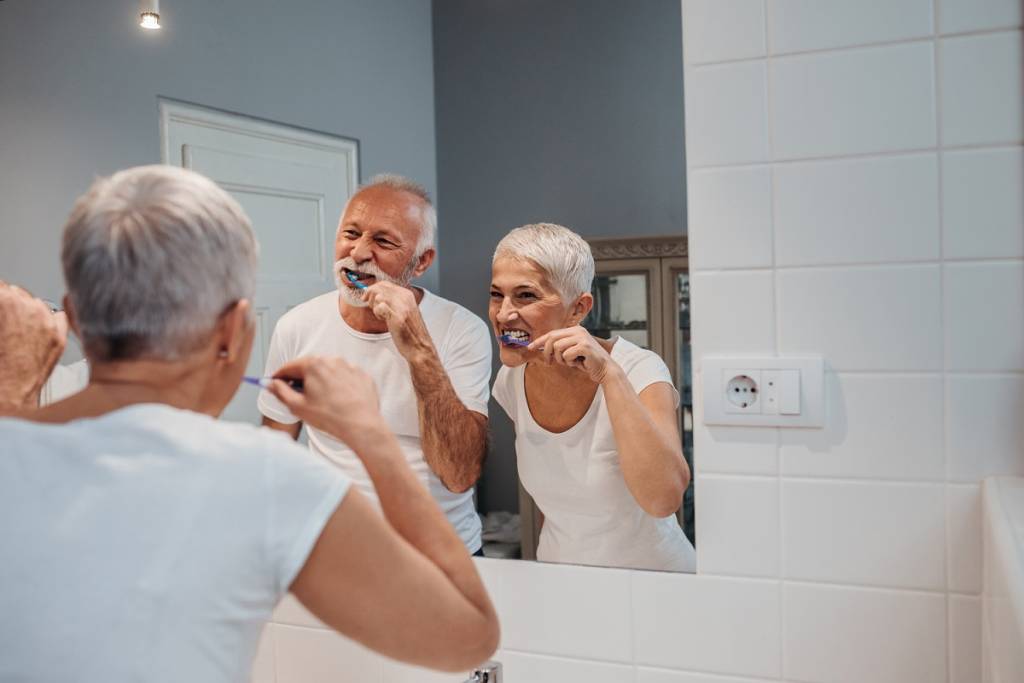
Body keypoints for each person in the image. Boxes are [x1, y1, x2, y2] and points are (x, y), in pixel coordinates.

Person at [0, 166, 499, 682]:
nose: (359, 251)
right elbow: (468, 637)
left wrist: (12, 400)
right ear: (236, 330)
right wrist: (368, 434)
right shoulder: (264, 480)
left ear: (75, 320)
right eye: (350, 233)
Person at [259, 174, 491, 554]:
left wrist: (419, 347)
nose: (359, 253)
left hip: (443, 554)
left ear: (421, 262)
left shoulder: (462, 330)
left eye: (383, 241)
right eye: (351, 234)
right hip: (338, 552)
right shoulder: (296, 327)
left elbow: (459, 473)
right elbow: (274, 449)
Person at [489, 223, 696, 572]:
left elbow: (664, 498)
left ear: (578, 308)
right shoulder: (511, 379)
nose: (504, 313)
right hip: (565, 582)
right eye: (497, 294)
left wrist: (610, 376)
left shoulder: (640, 369)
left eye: (526, 295)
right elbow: (554, 502)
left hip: (655, 584)